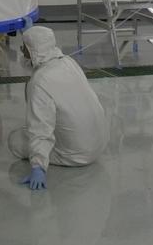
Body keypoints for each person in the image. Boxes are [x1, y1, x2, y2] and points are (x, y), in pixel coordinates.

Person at [7, 26, 108, 190]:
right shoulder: (69, 62)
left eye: (24, 48)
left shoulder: (40, 81)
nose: (21, 51)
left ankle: (44, 158)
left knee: (15, 140)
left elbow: (40, 127)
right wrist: (29, 32)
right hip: (99, 144)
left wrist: (38, 166)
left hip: (77, 154)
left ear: (33, 50)